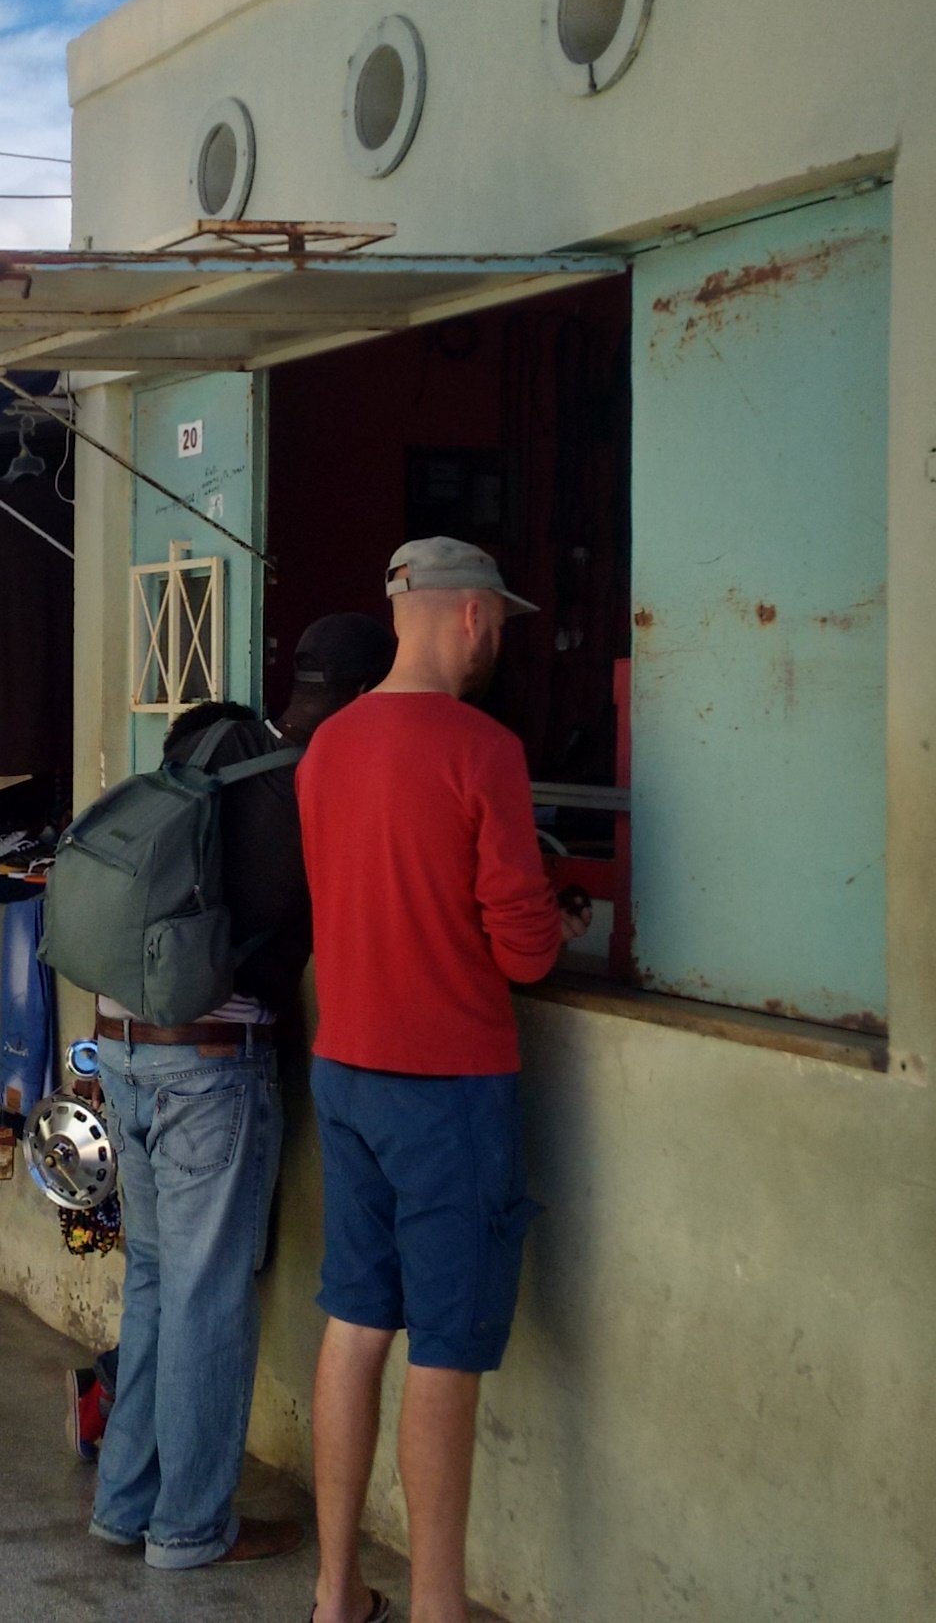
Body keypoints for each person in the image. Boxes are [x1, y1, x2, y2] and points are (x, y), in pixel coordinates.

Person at [296, 541, 588, 1623]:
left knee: (357, 1321)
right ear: (468, 618)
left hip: (346, 1068)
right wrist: (551, 917)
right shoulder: (485, 751)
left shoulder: (325, 749)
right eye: (499, 623)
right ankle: (438, 1609)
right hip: (449, 1082)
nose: (500, 640)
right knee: (446, 1352)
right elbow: (522, 954)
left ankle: (335, 1598)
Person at [86, 613, 395, 1573]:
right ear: (367, 696)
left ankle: (124, 1505)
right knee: (209, 1294)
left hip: (123, 1046)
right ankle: (188, 1529)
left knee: (151, 1285)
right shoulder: (318, 787)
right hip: (210, 1067)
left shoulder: (218, 751)